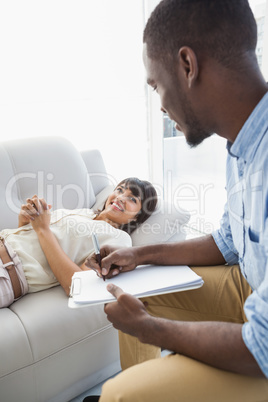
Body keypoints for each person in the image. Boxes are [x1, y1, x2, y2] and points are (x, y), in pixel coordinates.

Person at [83, 0, 268, 401]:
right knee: (136, 291)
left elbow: (263, 347)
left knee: (120, 394)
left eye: (155, 85)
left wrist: (150, 328)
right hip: (250, 287)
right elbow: (226, 243)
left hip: (264, 342)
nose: (161, 103)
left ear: (188, 65)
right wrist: (139, 255)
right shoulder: (242, 144)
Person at [0, 177, 157, 308]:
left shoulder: (119, 239)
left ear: (137, 216)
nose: (120, 198)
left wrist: (43, 230)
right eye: (120, 190)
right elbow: (35, 246)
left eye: (132, 199)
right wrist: (25, 222)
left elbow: (77, 287)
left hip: (7, 272)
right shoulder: (84, 213)